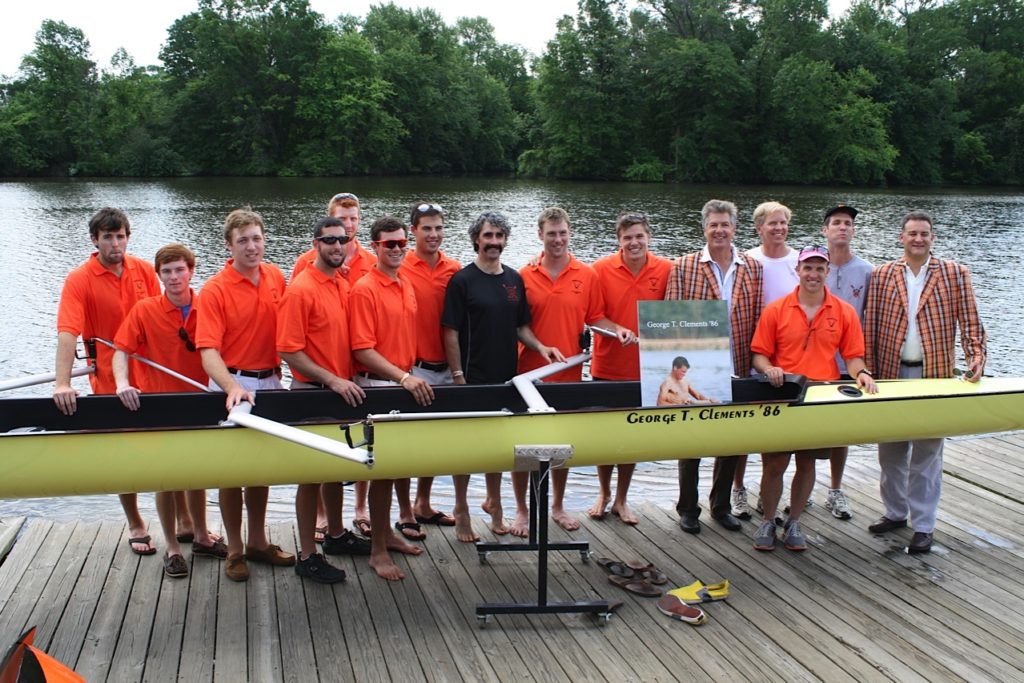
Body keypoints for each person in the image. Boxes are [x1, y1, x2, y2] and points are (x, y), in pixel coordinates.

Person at [863, 211, 986, 554]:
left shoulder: (954, 273)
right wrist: (868, 370)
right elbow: (869, 324)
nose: (918, 239)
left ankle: (924, 525)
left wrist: (976, 359)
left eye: (924, 234)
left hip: (934, 374)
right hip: (890, 373)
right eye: (912, 233)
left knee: (927, 455)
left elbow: (971, 322)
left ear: (932, 238)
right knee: (889, 451)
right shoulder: (883, 274)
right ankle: (895, 512)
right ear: (901, 237)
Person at [441, 211, 564, 542]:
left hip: (506, 377)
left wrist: (542, 347)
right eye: (488, 236)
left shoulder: (513, 279)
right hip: (471, 376)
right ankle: (461, 509)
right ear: (476, 240)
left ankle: (494, 503)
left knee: (496, 444)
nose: (493, 242)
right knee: (466, 448)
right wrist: (457, 375)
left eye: (499, 236)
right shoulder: (462, 280)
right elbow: (450, 331)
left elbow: (521, 327)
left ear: (505, 240)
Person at [750, 245, 878, 552]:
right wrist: (770, 370)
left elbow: (853, 357)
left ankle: (794, 520)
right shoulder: (777, 309)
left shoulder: (844, 311)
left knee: (807, 464)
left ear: (827, 272)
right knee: (775, 463)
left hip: (820, 396)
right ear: (798, 271)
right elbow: (759, 356)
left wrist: (862, 373)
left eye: (820, 268)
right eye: (808, 268)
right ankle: (768, 520)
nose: (813, 274)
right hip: (782, 397)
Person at [516, 206, 635, 533]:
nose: (557, 239)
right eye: (551, 233)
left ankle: (557, 506)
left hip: (568, 376)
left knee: (561, 445)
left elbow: (596, 318)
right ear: (540, 235)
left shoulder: (587, 274)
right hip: (528, 374)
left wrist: (618, 330)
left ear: (570, 234)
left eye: (563, 233)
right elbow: (516, 324)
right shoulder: (524, 275)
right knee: (524, 445)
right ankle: (522, 511)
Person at [112, 243, 226, 577]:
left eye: (180, 270)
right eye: (167, 272)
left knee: (198, 474)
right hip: (161, 404)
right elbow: (121, 350)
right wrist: (122, 383)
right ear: (158, 275)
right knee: (165, 477)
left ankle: (203, 536)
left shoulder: (208, 304)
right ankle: (174, 548)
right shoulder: (145, 310)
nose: (174, 277)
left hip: (201, 403)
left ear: (191, 270)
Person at [53, 207, 162, 556]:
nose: (115, 243)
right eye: (108, 237)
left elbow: (162, 319)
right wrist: (62, 383)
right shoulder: (79, 279)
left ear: (128, 237)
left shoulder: (145, 270)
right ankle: (135, 521)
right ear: (95, 239)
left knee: (165, 444)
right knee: (123, 453)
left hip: (154, 373)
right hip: (108, 379)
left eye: (121, 236)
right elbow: (68, 333)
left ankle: (184, 520)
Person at [195, 208, 296, 582]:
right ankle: (235, 549)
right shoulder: (215, 290)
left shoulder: (275, 276)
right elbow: (208, 352)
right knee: (231, 471)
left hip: (270, 381)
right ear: (229, 245)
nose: (252, 246)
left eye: (256, 238)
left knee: (260, 468)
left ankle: (257, 541)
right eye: (243, 241)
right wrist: (232, 386)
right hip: (231, 386)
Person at [277, 216, 370, 584]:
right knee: (312, 474)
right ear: (315, 243)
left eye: (342, 240)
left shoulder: (342, 283)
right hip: (314, 393)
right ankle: (307, 555)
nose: (336, 246)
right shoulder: (301, 289)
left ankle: (335, 534)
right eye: (329, 240)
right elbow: (288, 351)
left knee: (335, 469)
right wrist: (332, 380)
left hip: (341, 391)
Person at [665, 199, 763, 534]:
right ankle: (688, 508)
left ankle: (720, 506)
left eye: (725, 225)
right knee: (691, 441)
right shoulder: (684, 266)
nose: (719, 230)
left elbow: (757, 319)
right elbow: (670, 317)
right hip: (697, 366)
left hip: (737, 366)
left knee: (730, 439)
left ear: (734, 229)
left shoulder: (753, 267)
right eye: (713, 225)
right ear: (704, 228)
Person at [349, 215, 431, 580]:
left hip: (403, 382)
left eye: (401, 243)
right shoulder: (365, 288)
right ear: (375, 248)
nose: (398, 249)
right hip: (379, 385)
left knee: (398, 466)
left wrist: (409, 377)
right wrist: (402, 377)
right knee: (382, 471)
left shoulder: (405, 283)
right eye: (389, 245)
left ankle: (386, 536)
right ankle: (377, 550)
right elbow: (362, 350)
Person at [589, 212, 672, 524]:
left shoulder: (666, 269)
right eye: (627, 238)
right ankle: (603, 492)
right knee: (604, 436)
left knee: (632, 437)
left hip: (646, 370)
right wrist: (617, 329)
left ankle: (622, 499)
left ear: (648, 236)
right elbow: (594, 316)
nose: (634, 242)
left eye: (639, 236)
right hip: (607, 366)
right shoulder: (599, 270)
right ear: (618, 241)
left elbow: (673, 314)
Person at [732, 201, 799, 520]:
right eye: (772, 223)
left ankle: (770, 492)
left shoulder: (799, 261)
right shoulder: (747, 261)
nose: (779, 228)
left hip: (787, 358)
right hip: (752, 353)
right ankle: (737, 488)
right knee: (744, 427)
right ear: (759, 228)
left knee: (779, 430)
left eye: (783, 222)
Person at [400, 202, 461, 537]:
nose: (433, 234)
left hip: (446, 368)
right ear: (414, 231)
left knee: (436, 440)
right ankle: (405, 510)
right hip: (412, 367)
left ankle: (423, 501)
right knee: (407, 442)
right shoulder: (401, 265)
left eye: (438, 228)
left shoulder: (453, 269)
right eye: (426, 228)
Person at [820, 204, 874, 520]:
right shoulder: (810, 265)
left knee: (841, 431)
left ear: (853, 231)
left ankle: (835, 490)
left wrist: (865, 365)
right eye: (836, 223)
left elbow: (871, 316)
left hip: (848, 365)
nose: (843, 227)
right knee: (806, 430)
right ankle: (802, 488)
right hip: (811, 364)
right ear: (825, 230)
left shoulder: (867, 271)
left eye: (848, 223)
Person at [291, 192, 377, 285]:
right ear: (330, 219)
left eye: (353, 219)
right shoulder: (305, 261)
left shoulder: (373, 263)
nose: (348, 225)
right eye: (342, 219)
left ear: (359, 219)